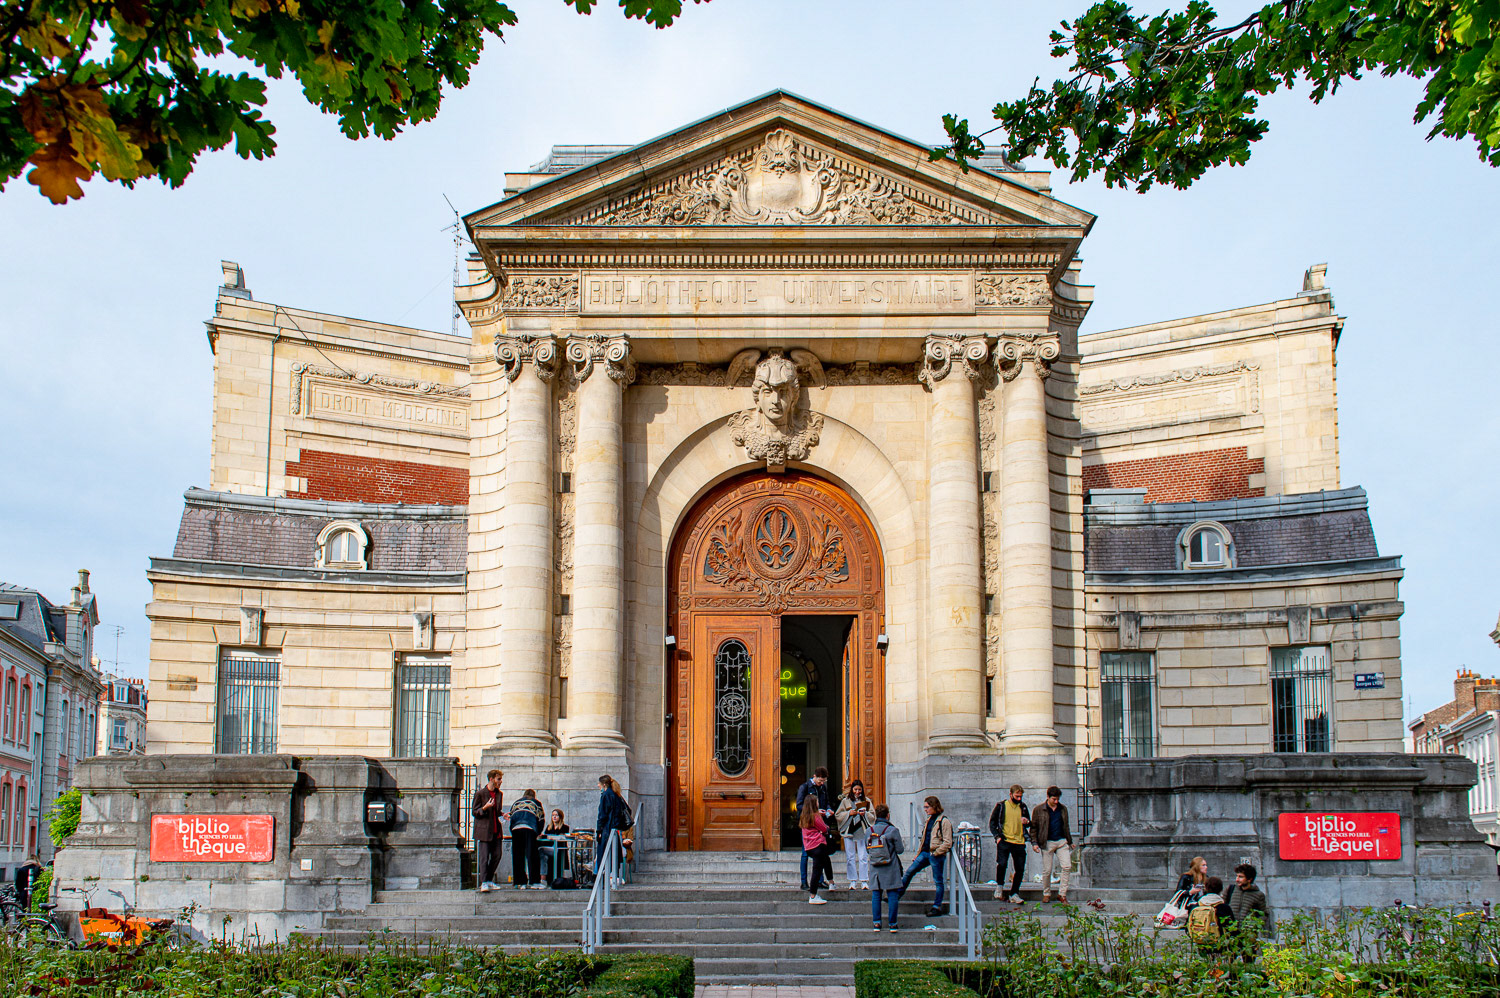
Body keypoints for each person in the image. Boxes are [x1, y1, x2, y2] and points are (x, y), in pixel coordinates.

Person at [899, 795, 952, 918]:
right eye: (924, 807)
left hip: (935, 854)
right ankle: (897, 895)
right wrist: (917, 854)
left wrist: (937, 852)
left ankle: (937, 906)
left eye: (927, 807)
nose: (925, 809)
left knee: (938, 881)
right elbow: (923, 839)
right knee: (909, 872)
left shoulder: (944, 821)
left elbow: (948, 842)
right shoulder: (929, 820)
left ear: (934, 806)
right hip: (925, 853)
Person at [1030, 785, 1073, 904]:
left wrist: (1070, 842)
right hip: (1047, 842)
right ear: (1048, 797)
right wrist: (1034, 843)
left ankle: (1062, 894)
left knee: (1067, 866)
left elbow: (1066, 826)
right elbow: (1034, 828)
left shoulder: (1063, 809)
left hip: (1061, 841)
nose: (1056, 801)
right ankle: (1046, 893)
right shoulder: (1039, 809)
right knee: (1047, 870)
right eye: (1054, 799)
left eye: (1058, 799)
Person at [988, 784, 1031, 903]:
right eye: (1016, 796)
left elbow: (1028, 823)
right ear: (1010, 794)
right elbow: (992, 823)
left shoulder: (1022, 807)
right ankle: (999, 887)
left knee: (1020, 868)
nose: (1019, 799)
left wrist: (1026, 821)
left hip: (1019, 841)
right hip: (1005, 840)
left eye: (1020, 797)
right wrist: (997, 837)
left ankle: (1014, 893)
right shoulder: (1002, 806)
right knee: (1002, 864)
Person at [866, 803, 905, 932]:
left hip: (875, 868)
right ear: (888, 815)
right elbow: (900, 850)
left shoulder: (869, 831)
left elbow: (868, 850)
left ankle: (876, 923)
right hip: (890, 866)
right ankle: (893, 924)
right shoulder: (893, 830)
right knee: (892, 893)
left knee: (876, 894)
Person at [794, 767, 833, 891]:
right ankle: (804, 881)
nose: (821, 783)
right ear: (814, 776)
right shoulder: (804, 787)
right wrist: (815, 812)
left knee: (821, 853)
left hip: (820, 822)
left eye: (824, 781)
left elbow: (826, 801)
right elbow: (799, 805)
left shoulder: (823, 788)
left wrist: (828, 809)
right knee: (805, 853)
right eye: (820, 781)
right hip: (808, 823)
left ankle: (820, 881)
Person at [835, 779, 874, 889]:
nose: (857, 792)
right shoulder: (845, 801)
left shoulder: (866, 801)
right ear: (852, 790)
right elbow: (838, 815)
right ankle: (852, 880)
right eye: (855, 789)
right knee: (850, 856)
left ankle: (864, 880)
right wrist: (849, 813)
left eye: (859, 790)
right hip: (849, 830)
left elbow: (872, 815)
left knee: (863, 856)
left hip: (861, 830)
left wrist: (864, 813)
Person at [1226, 862, 1272, 954]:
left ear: (1249, 879)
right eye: (1237, 876)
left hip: (1247, 934)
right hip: (1230, 932)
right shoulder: (1230, 889)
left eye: (1241, 877)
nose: (1237, 879)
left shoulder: (1258, 895)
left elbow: (1264, 913)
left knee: (1249, 960)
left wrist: (1253, 926)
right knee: (1229, 960)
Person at [471, 769, 504, 892]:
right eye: (498, 779)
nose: (500, 782)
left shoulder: (499, 794)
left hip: (496, 830)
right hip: (484, 830)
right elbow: (475, 812)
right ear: (491, 779)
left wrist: (502, 815)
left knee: (497, 855)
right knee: (484, 857)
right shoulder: (481, 793)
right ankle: (483, 882)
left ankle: (489, 880)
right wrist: (485, 807)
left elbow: (497, 811)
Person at [800, 796, 834, 904]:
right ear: (814, 804)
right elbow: (824, 828)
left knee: (825, 861)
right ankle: (813, 895)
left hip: (809, 847)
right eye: (817, 802)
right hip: (818, 845)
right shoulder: (815, 816)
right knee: (817, 870)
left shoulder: (804, 816)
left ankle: (831, 882)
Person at [509, 788, 546, 890]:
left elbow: (511, 816)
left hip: (516, 828)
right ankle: (534, 882)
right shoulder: (536, 803)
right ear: (534, 796)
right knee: (532, 854)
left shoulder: (516, 802)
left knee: (517, 855)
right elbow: (541, 819)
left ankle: (520, 882)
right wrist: (537, 832)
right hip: (529, 827)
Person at [1187, 875, 1236, 952]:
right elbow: (1232, 927)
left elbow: (1189, 924)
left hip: (1201, 941)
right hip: (1219, 943)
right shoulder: (1224, 907)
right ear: (1221, 889)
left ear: (1206, 888)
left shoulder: (1196, 906)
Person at [595, 773, 630, 874]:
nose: (598, 785)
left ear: (604, 784)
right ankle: (612, 878)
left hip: (607, 829)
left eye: (599, 783)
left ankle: (605, 880)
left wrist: (599, 831)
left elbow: (602, 815)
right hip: (614, 829)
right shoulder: (615, 795)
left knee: (604, 856)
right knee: (612, 856)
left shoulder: (606, 795)